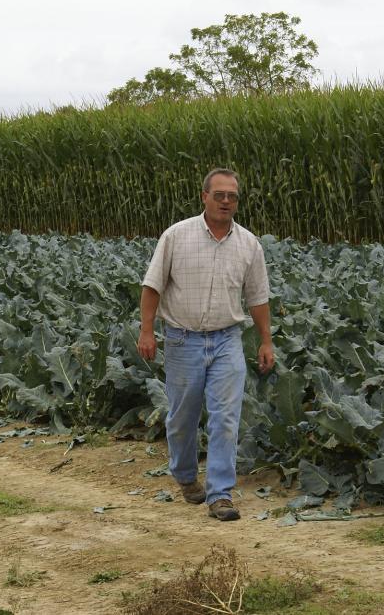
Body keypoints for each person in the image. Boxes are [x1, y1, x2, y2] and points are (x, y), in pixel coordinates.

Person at [137, 168, 274, 521]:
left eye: (232, 196)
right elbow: (152, 287)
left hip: (228, 339)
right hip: (183, 340)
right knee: (182, 418)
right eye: (220, 195)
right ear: (204, 197)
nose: (226, 201)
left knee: (226, 418)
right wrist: (147, 331)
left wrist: (265, 341)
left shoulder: (249, 245)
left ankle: (220, 494)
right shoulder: (176, 236)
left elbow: (258, 298)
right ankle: (185, 476)